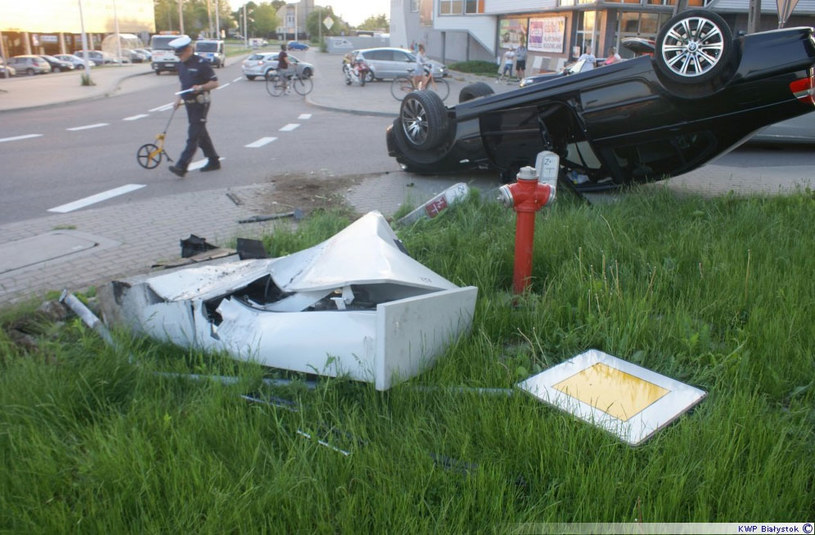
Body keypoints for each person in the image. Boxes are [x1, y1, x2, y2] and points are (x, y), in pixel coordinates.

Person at [167, 35, 220, 178]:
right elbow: (183, 84)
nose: (179, 57)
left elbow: (215, 83)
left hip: (200, 103)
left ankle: (182, 166)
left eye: (181, 53)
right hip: (189, 105)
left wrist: (201, 87)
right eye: (177, 54)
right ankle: (214, 160)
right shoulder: (181, 65)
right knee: (200, 133)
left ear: (189, 50)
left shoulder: (201, 63)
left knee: (193, 136)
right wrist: (178, 98)